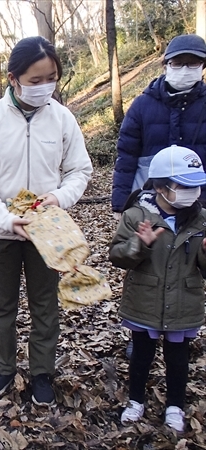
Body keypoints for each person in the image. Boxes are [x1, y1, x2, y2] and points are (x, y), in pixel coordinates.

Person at [0, 36, 92, 406]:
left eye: (51, 78)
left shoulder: (62, 117)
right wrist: (6, 219)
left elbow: (79, 171)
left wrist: (58, 197)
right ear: (13, 78)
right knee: (2, 306)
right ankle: (5, 368)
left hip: (46, 232)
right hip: (0, 233)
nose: (44, 87)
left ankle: (41, 373)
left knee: (44, 306)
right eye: (35, 80)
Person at [109, 145, 206, 433]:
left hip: (183, 302)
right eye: (184, 186)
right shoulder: (137, 215)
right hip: (145, 300)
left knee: (178, 358)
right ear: (162, 187)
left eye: (196, 186)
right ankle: (135, 400)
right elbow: (117, 255)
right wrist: (141, 244)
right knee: (141, 354)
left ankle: (175, 405)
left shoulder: (200, 219)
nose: (192, 193)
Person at [112, 34, 206, 216]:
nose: (185, 69)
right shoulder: (142, 105)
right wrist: (120, 204)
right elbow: (126, 157)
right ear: (166, 65)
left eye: (193, 63)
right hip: (151, 204)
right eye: (178, 63)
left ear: (202, 66)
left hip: (199, 204)